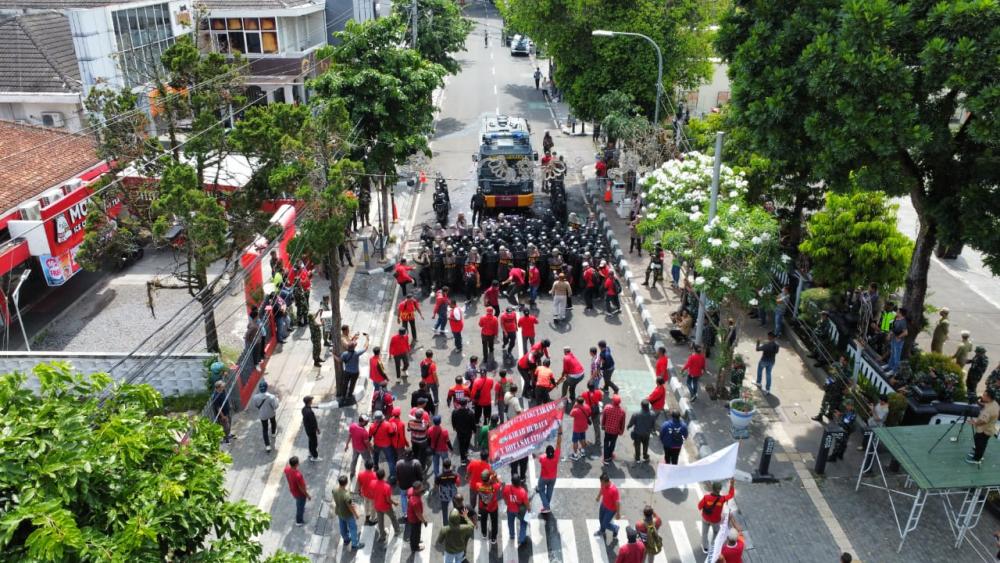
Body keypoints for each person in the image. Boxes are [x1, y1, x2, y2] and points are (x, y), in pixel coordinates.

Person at [698, 479, 735, 553]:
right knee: (716, 532)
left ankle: (705, 548)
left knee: (704, 533)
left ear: (712, 488)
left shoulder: (706, 497)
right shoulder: (722, 499)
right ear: (720, 489)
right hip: (715, 521)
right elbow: (731, 495)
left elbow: (699, 506)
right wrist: (732, 484)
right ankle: (713, 546)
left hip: (705, 518)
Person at [333, 475, 365, 550]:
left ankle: (346, 539)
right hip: (348, 515)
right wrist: (356, 514)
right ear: (346, 483)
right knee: (353, 528)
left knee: (342, 526)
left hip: (339, 512)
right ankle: (355, 544)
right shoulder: (346, 495)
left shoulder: (334, 490)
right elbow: (350, 507)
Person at [968, 389, 998, 465]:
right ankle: (978, 454)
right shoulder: (993, 403)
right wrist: (978, 402)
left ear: (989, 397)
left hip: (985, 430)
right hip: (988, 428)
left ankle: (977, 459)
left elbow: (983, 421)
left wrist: (974, 423)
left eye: (984, 395)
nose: (982, 396)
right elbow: (985, 405)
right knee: (980, 442)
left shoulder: (990, 409)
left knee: (980, 442)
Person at [536, 429, 562, 513]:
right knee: (549, 491)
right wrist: (559, 434)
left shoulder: (543, 458)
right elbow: (558, 444)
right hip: (553, 478)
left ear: (546, 453)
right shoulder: (556, 456)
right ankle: (546, 505)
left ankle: (546, 506)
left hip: (544, 478)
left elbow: (537, 457)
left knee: (540, 490)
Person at [340, 334, 370, 405]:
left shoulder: (344, 354)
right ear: (354, 348)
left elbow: (339, 360)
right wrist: (367, 339)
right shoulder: (357, 353)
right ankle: (350, 395)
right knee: (352, 384)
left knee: (345, 384)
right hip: (355, 372)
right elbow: (365, 347)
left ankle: (343, 396)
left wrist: (334, 355)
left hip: (347, 372)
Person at [251, 380, 279, 452]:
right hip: (271, 413)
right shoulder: (272, 397)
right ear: (266, 388)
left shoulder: (255, 397)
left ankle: (267, 446)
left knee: (265, 429)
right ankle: (273, 434)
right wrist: (277, 400)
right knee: (273, 422)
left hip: (262, 415)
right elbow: (275, 406)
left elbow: (255, 406)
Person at [373, 469, 400, 542]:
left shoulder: (373, 484)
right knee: (393, 518)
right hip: (386, 507)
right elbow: (388, 500)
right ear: (384, 476)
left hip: (377, 506)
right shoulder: (387, 486)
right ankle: (397, 531)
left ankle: (382, 536)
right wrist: (395, 503)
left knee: (380, 522)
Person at [477, 470, 502, 545]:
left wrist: (490, 479)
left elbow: (481, 483)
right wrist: (495, 477)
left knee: (483, 520)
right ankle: (493, 538)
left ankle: (484, 534)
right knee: (494, 522)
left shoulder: (478, 485)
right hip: (493, 507)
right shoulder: (494, 487)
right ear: (489, 478)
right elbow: (499, 483)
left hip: (483, 507)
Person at [284, 456, 311, 526]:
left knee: (299, 504)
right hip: (300, 494)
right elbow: (301, 488)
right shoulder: (298, 475)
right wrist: (307, 495)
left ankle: (300, 515)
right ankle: (299, 521)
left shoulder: (287, 469)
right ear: (296, 464)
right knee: (300, 507)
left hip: (293, 490)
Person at [503, 475, 529, 545]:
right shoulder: (522, 492)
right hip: (520, 511)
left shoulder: (506, 488)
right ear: (519, 482)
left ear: (512, 482)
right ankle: (521, 538)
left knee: (510, 523)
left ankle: (512, 535)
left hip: (510, 510)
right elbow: (526, 503)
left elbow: (504, 498)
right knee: (523, 523)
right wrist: (529, 509)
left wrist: (507, 503)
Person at [594, 473, 621, 541]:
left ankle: (615, 528)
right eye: (601, 483)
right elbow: (602, 490)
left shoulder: (614, 490)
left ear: (607, 482)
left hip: (611, 509)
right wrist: (598, 496)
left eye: (603, 483)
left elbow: (617, 502)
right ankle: (602, 531)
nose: (601, 484)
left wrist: (618, 513)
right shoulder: (603, 484)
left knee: (605, 523)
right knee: (601, 519)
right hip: (603, 505)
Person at [628, 400, 656, 464]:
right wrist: (653, 430)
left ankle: (637, 458)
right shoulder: (653, 414)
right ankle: (645, 456)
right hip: (647, 434)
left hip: (637, 434)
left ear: (641, 406)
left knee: (637, 445)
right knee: (645, 445)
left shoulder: (636, 414)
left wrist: (628, 426)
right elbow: (653, 424)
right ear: (648, 406)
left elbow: (631, 423)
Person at [436, 458, 462, 525]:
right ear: (450, 465)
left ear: (443, 465)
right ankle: (457, 522)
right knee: (456, 509)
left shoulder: (439, 476)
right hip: (453, 494)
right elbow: (458, 484)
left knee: (445, 511)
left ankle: (445, 525)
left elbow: (436, 486)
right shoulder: (455, 474)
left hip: (443, 496)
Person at [601, 395, 626, 465]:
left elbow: (604, 418)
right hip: (615, 431)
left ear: (613, 401)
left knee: (606, 442)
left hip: (607, 429)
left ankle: (605, 457)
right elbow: (622, 423)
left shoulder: (607, 407)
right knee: (613, 443)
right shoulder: (622, 412)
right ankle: (610, 454)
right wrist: (621, 431)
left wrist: (603, 426)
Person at [406, 481, 428, 552]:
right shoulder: (416, 502)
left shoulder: (410, 491)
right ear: (416, 490)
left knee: (413, 532)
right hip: (415, 519)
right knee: (416, 532)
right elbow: (418, 514)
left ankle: (415, 541)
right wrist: (424, 521)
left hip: (410, 515)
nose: (422, 490)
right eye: (420, 489)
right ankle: (415, 547)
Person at [452, 398, 477, 463]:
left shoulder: (455, 412)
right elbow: (473, 423)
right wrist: (474, 430)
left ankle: (462, 459)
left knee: (461, 444)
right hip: (468, 432)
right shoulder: (470, 413)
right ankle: (465, 452)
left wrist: (454, 427)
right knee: (467, 443)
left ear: (459, 404)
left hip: (459, 432)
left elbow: (453, 421)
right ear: (466, 404)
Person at [887, 307, 908, 373]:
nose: (896, 312)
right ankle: (890, 366)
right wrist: (889, 334)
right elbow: (893, 328)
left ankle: (894, 370)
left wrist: (899, 337)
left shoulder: (903, 322)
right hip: (893, 338)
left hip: (898, 341)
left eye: (898, 312)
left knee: (897, 356)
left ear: (901, 313)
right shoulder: (896, 319)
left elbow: (905, 332)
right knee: (892, 353)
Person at [301, 396, 321, 461]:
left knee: (310, 441)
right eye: (311, 400)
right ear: (309, 402)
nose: (312, 401)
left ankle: (310, 452)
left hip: (307, 429)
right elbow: (313, 422)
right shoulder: (310, 412)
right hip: (311, 430)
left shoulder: (304, 409)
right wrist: (317, 429)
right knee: (314, 443)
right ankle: (315, 456)